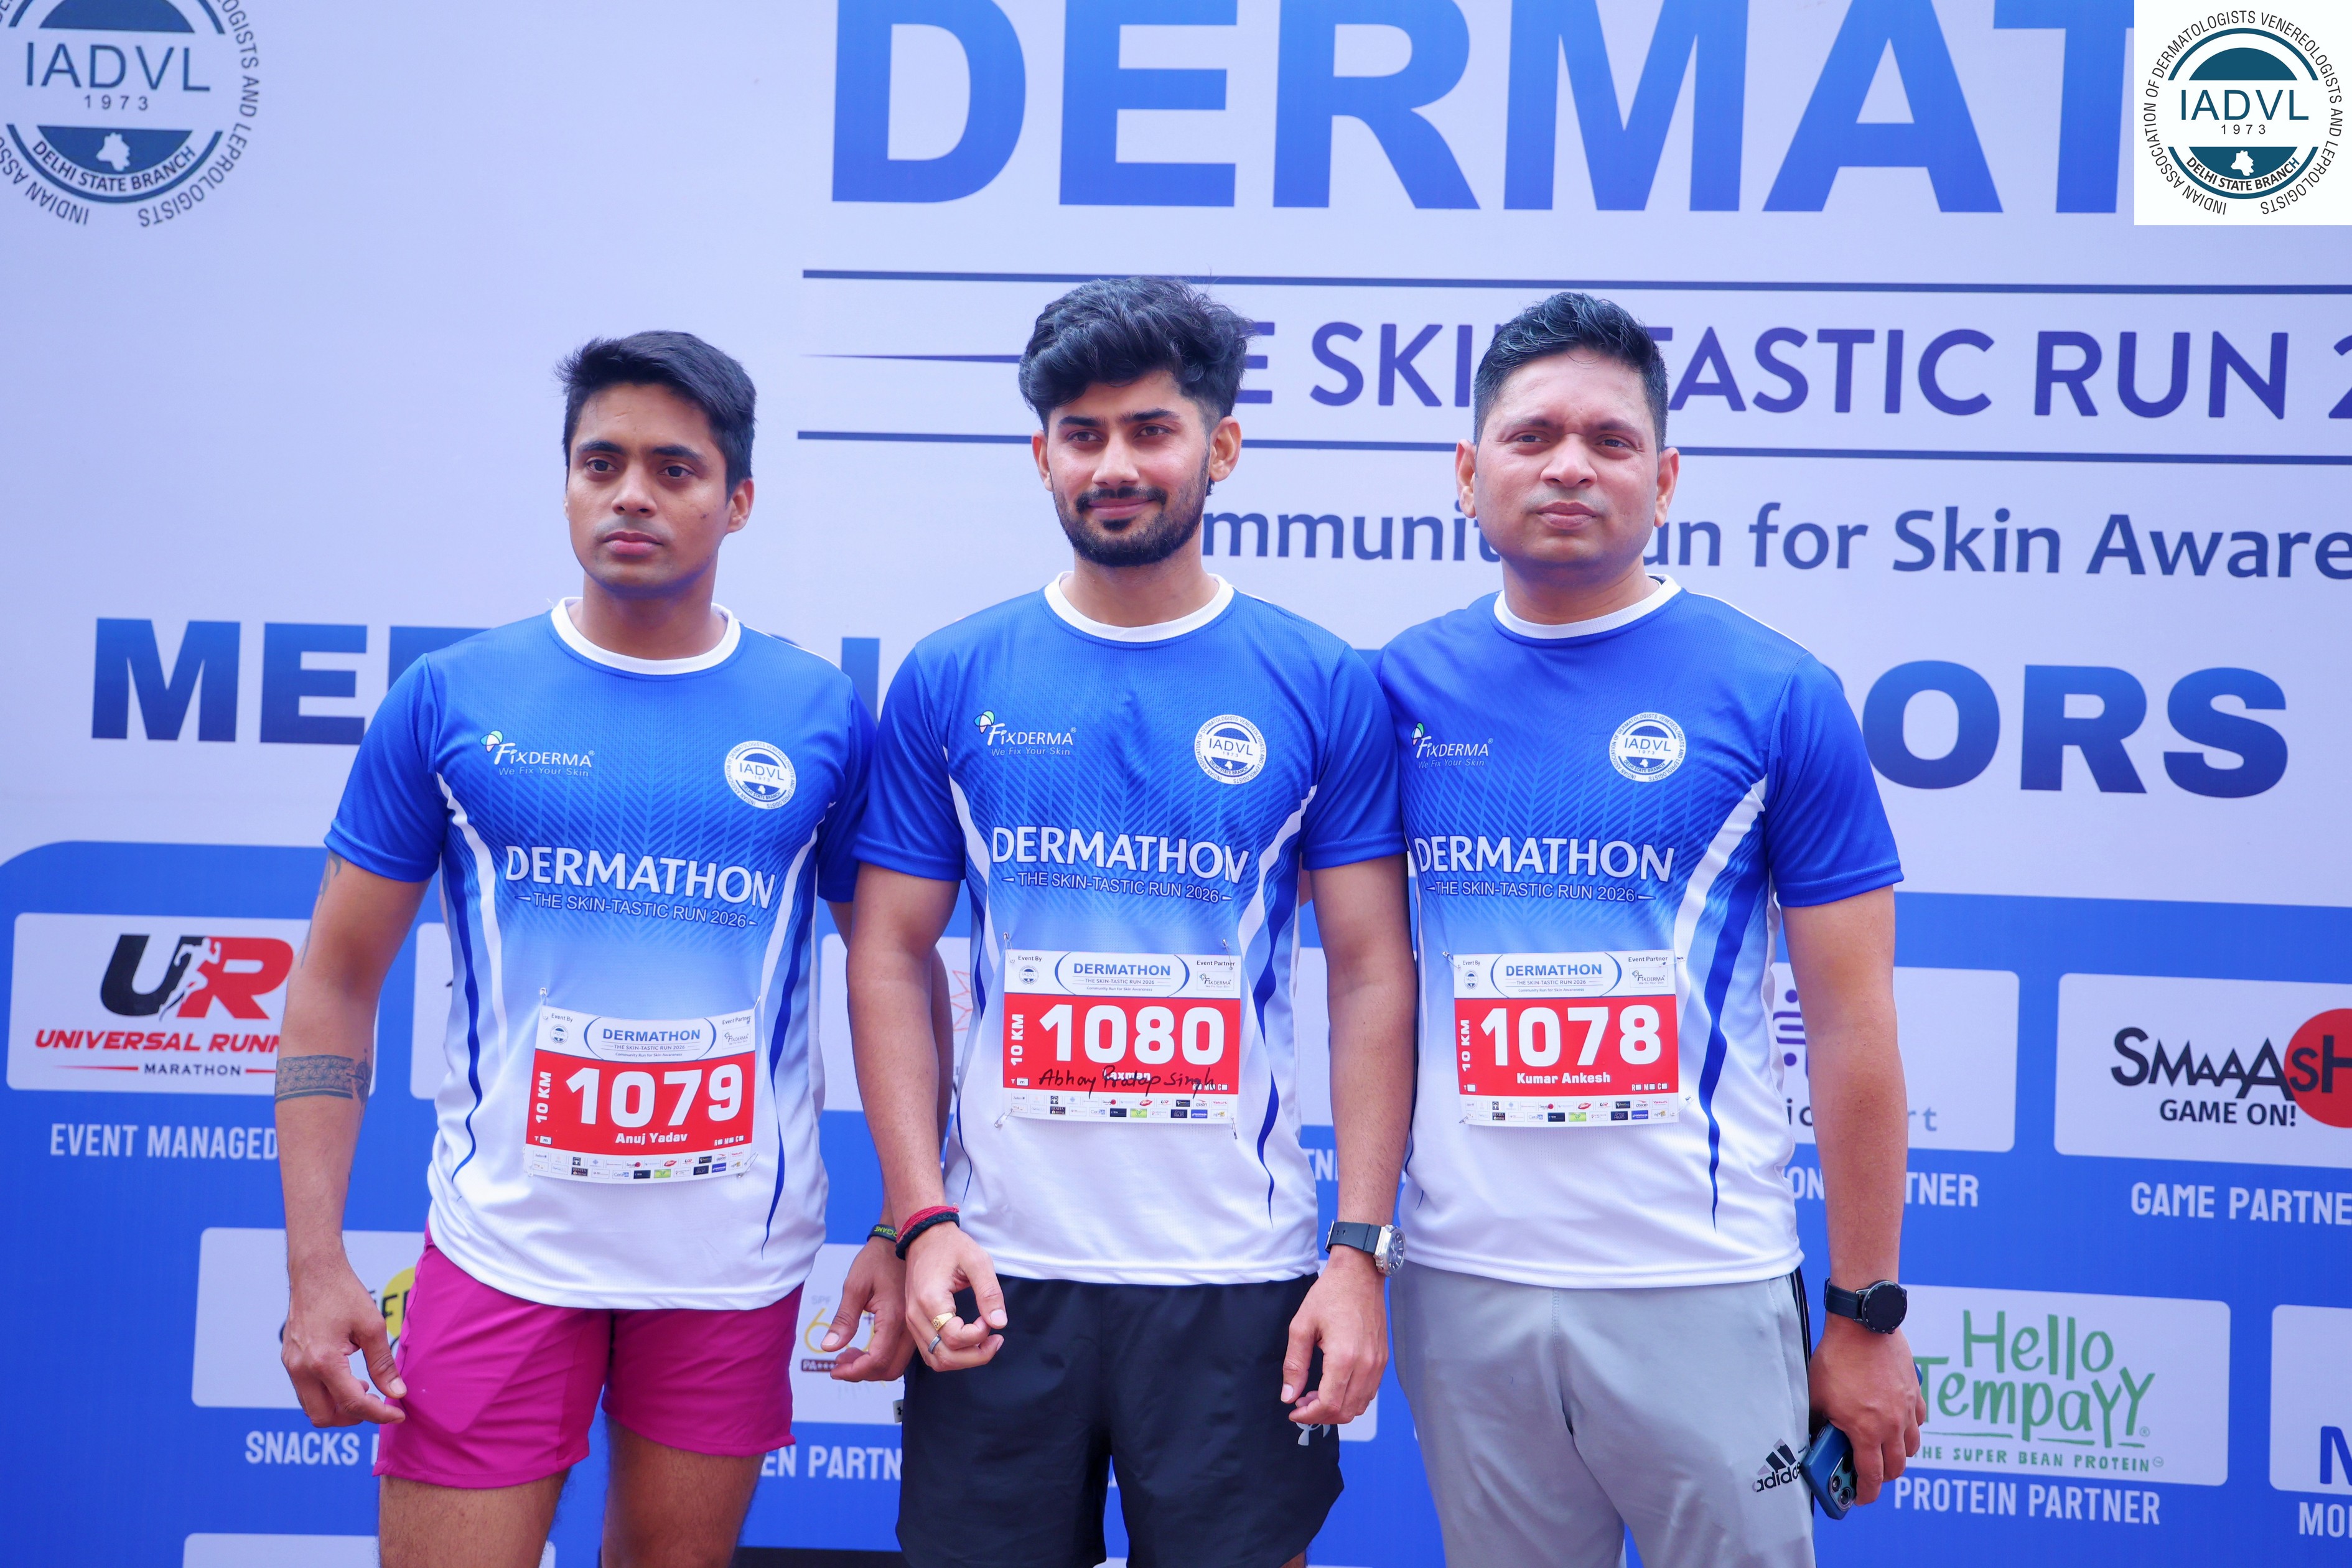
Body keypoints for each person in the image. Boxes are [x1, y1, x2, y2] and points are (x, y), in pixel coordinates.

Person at [274, 330, 932, 1568]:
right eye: (602, 463)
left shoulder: (819, 713)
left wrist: (910, 1219)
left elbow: (893, 969)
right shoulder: (453, 698)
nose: (632, 494)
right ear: (568, 483)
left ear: (738, 500)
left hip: (734, 1266)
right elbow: (336, 983)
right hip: (502, 1253)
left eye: (675, 469)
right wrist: (316, 1266)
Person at [846, 276, 1417, 1568]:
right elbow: (887, 955)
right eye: (1082, 434)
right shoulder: (954, 674)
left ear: (1222, 446)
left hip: (1237, 1275)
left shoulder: (1318, 681)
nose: (1115, 465)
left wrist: (1358, 1253)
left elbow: (1372, 974)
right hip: (997, 1266)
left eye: (1152, 430)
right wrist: (918, 1219)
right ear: (1042, 454)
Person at [1377, 291, 1925, 1568]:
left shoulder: (1776, 693)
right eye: (1532, 436)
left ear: (1666, 479)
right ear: (1466, 472)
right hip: (1463, 1287)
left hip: (1700, 1281)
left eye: (1611, 441)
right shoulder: (1395, 689)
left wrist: (1865, 1311)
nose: (1569, 465)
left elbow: (1854, 1021)